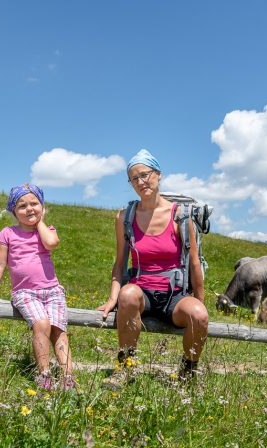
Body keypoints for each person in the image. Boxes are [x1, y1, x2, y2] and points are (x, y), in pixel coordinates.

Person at [98, 149, 209, 383]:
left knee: (198, 315)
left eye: (145, 174)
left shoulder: (180, 215)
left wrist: (200, 301)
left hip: (175, 295)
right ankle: (126, 368)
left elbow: (195, 263)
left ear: (158, 174)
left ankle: (188, 373)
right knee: (127, 295)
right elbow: (120, 264)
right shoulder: (124, 217)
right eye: (134, 178)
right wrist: (112, 298)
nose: (141, 182)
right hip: (142, 293)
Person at [0, 183, 76, 390]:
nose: (29, 209)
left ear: (42, 207)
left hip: (53, 291)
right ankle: (44, 374)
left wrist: (41, 222)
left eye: (34, 204)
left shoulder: (46, 231)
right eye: (22, 206)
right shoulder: (8, 233)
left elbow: (52, 243)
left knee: (59, 330)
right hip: (25, 292)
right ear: (13, 211)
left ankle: (67, 377)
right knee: (41, 324)